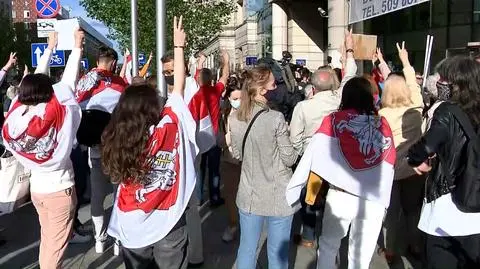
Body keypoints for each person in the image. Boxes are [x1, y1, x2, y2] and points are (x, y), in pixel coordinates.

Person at [102, 16, 195, 269]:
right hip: (168, 217)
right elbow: (178, 89)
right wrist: (179, 47)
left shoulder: (116, 135)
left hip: (132, 221)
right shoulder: (168, 126)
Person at [287, 76, 396, 269]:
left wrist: (298, 185)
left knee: (328, 246)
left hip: (340, 196)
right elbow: (388, 162)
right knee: (361, 255)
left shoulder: (334, 120)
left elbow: (314, 153)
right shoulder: (383, 124)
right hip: (372, 198)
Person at [2, 29, 83, 269]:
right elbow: (68, 82)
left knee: (48, 241)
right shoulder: (55, 115)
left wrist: (48, 50)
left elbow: (33, 82)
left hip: (37, 189)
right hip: (59, 190)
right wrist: (76, 46)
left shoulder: (16, 118)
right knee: (54, 248)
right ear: (48, 93)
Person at [407, 56, 480, 269]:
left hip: (447, 206)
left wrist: (415, 160)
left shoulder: (446, 111)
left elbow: (425, 147)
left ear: (457, 83)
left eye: (445, 79)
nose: (440, 83)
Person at [229, 66, 299, 269]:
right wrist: (290, 136)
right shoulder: (275, 118)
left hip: (249, 193)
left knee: (247, 249)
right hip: (277, 194)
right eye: (273, 84)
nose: (276, 87)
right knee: (278, 254)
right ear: (261, 90)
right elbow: (289, 158)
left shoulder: (235, 117)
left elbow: (237, 154)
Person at [75, 45, 128, 253]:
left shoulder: (83, 82)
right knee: (118, 194)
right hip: (115, 147)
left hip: (93, 148)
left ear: (97, 60)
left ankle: (99, 238)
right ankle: (117, 239)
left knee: (97, 195)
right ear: (113, 63)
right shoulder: (119, 83)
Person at [377, 43, 425, 262]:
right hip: (415, 169)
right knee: (413, 210)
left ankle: (390, 250)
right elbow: (414, 87)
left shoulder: (383, 115)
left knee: (391, 213)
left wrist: (380, 62)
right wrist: (405, 61)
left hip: (391, 171)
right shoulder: (416, 107)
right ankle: (415, 245)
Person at [195, 51, 229, 206]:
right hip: (213, 136)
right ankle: (214, 198)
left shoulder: (195, 95)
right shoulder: (215, 92)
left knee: (200, 168)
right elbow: (224, 77)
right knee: (214, 169)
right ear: (210, 79)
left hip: (199, 136)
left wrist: (200, 63)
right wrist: (226, 62)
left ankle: (199, 197)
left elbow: (197, 75)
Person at [219, 76, 242, 242]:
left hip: (248, 160)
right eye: (235, 98)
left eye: (241, 98)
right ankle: (233, 224)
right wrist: (228, 136)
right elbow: (220, 140)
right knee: (231, 195)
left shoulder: (250, 112)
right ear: (228, 98)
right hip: (230, 160)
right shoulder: (224, 114)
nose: (239, 101)